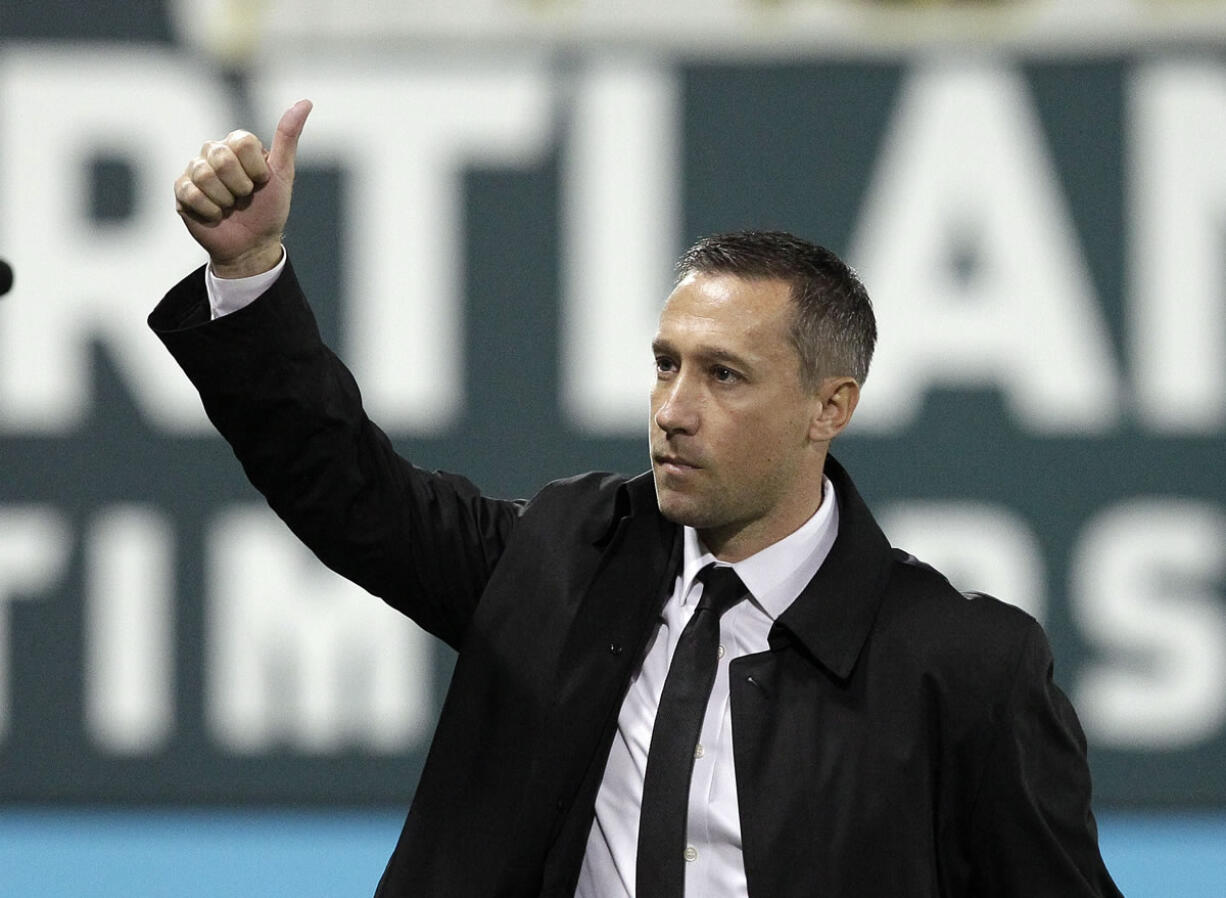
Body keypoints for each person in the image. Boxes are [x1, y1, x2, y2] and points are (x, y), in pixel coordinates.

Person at [153, 100, 1123, 898]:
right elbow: (345, 488)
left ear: (829, 407)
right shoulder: (560, 561)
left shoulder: (961, 666)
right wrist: (246, 271)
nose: (672, 411)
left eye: (724, 377)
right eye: (664, 367)